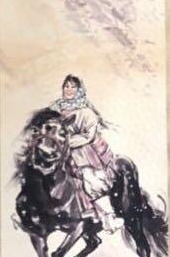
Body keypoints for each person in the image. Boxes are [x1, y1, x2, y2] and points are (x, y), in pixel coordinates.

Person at [50, 74, 123, 233]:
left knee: (90, 180)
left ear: (79, 90)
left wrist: (67, 142)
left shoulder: (86, 111)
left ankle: (109, 217)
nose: (69, 90)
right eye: (66, 86)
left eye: (73, 87)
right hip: (57, 150)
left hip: (81, 152)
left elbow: (88, 136)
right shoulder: (54, 109)